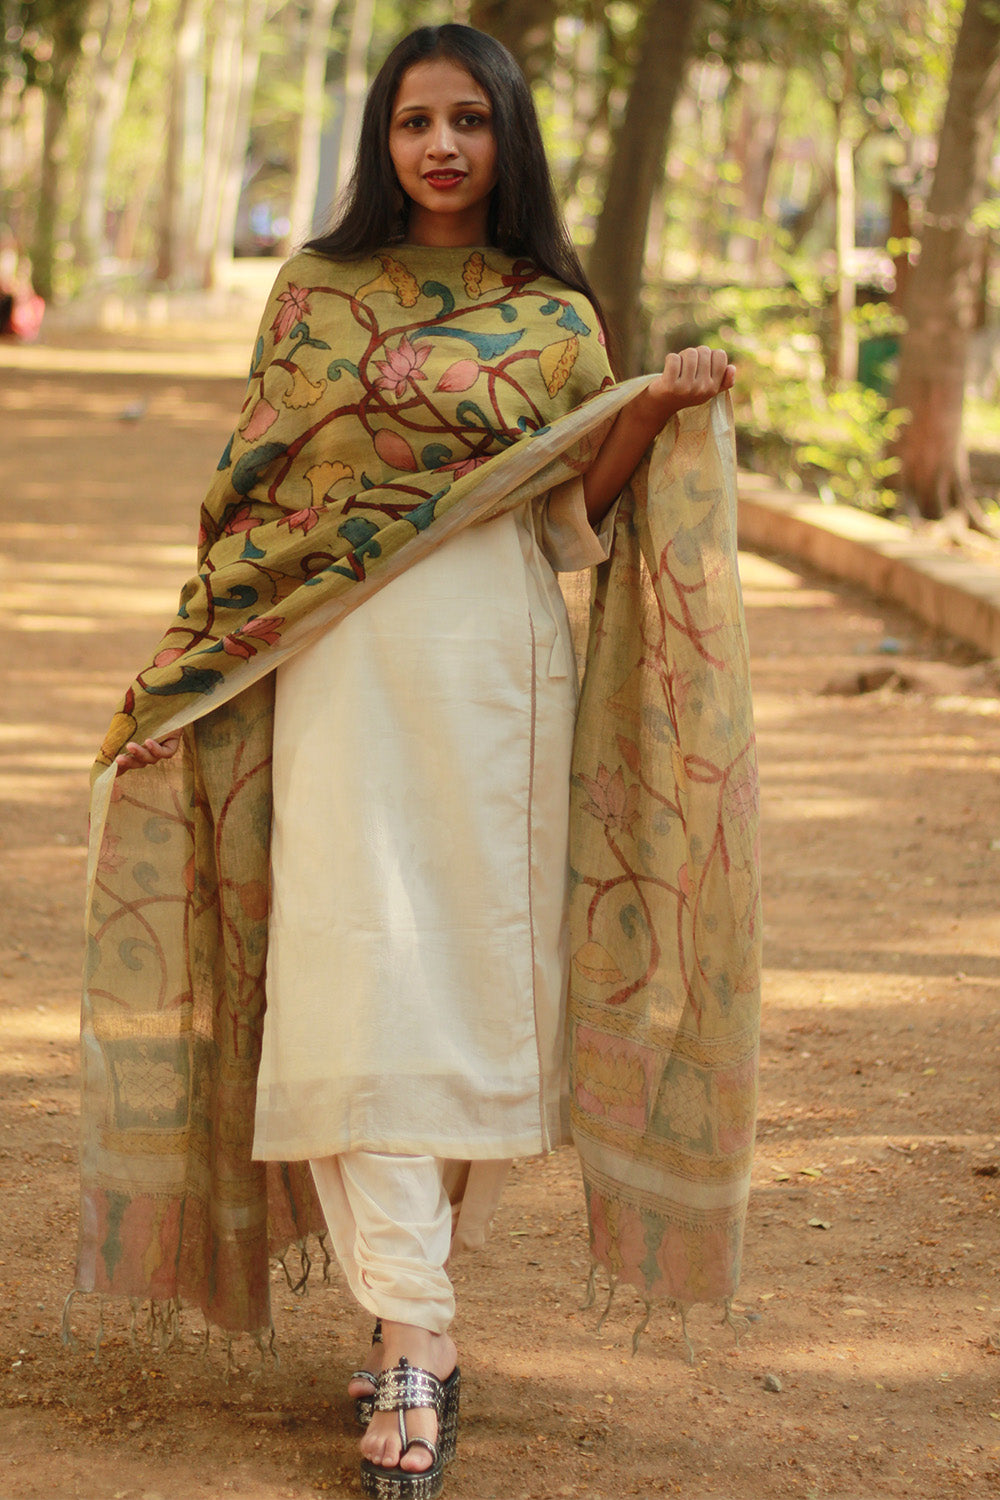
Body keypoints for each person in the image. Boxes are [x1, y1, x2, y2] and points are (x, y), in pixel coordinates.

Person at [83, 24, 757, 1500]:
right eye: (413, 123)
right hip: (332, 657)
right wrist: (203, 657)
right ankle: (419, 1327)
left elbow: (569, 514)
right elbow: (256, 488)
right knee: (347, 965)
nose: (441, 146)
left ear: (511, 137)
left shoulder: (554, 314)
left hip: (495, 670)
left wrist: (644, 408)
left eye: (468, 121)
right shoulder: (314, 293)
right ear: (382, 143)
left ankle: (407, 1307)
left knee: (457, 971)